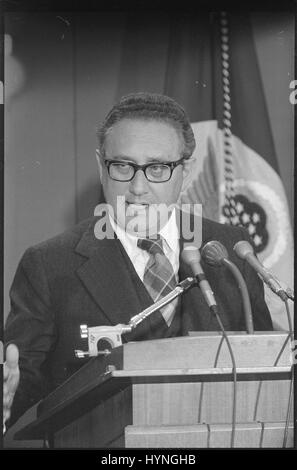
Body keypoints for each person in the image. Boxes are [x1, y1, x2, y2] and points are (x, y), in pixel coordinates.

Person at [3, 92, 273, 431]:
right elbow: (19, 378)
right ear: (102, 166)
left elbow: (264, 362)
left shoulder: (232, 249)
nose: (138, 187)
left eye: (157, 168)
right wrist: (6, 395)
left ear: (185, 172)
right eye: (123, 166)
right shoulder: (49, 265)